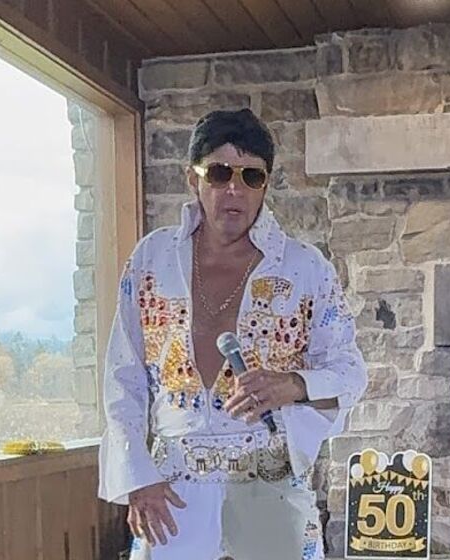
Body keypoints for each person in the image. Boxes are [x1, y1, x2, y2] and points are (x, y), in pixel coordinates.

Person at [98, 108, 368, 560]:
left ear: (266, 185)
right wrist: (136, 476)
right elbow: (122, 376)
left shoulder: (305, 268)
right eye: (220, 173)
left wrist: (294, 385)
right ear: (193, 178)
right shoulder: (152, 260)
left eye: (251, 176)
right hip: (170, 492)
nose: (234, 190)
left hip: (268, 483)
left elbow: (351, 372)